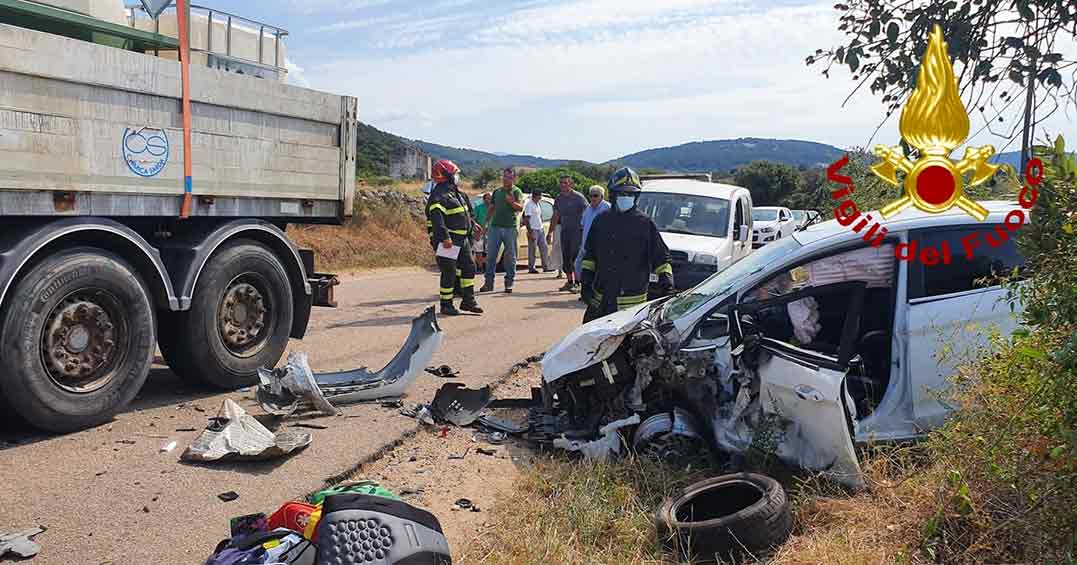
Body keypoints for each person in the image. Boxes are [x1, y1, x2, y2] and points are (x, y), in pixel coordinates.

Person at [580, 167, 673, 323]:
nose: (626, 197)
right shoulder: (601, 221)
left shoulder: (644, 223)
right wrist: (585, 281)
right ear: (613, 194)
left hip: (632, 309)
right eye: (622, 193)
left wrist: (667, 281)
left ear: (636, 197)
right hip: (600, 304)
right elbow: (590, 256)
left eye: (630, 194)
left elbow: (661, 257)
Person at [425, 159, 482, 316]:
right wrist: (445, 238)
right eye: (456, 174)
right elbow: (437, 220)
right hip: (447, 241)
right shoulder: (439, 195)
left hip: (462, 239)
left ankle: (468, 300)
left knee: (470, 267)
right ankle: (446, 305)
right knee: (449, 272)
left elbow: (465, 214)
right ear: (445, 175)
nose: (458, 176)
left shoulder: (456, 193)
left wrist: (473, 224)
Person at [480, 168, 525, 294]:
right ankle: (488, 284)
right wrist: (485, 224)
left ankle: (509, 283)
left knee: (510, 257)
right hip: (495, 227)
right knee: (491, 257)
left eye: (509, 177)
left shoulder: (516, 191)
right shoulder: (497, 192)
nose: (506, 179)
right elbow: (491, 208)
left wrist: (512, 202)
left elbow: (520, 208)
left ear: (514, 178)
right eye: (504, 177)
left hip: (510, 228)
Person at [547, 175, 588, 292]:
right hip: (565, 231)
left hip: (577, 232)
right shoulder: (559, 198)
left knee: (575, 257)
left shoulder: (579, 197)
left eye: (565, 183)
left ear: (571, 184)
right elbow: (555, 216)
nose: (563, 185)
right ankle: (570, 282)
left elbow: (587, 212)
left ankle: (578, 283)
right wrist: (550, 232)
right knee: (566, 257)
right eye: (561, 183)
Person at [575, 184, 611, 281]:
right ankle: (583, 288)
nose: (593, 198)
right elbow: (582, 226)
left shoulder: (607, 208)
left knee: (595, 271)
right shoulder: (588, 209)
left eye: (595, 195)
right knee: (578, 266)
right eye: (591, 195)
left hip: (600, 246)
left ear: (602, 197)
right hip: (585, 246)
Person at [522, 190, 552, 273]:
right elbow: (526, 219)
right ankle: (531, 267)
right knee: (532, 249)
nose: (541, 197)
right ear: (536, 196)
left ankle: (545, 266)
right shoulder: (529, 205)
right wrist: (530, 232)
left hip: (540, 229)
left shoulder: (537, 204)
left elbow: (539, 216)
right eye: (540, 196)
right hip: (533, 229)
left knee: (544, 248)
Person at [473, 192, 491, 269]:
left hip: (491, 233)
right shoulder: (478, 208)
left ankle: (488, 267)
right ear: (484, 200)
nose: (489, 200)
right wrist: (477, 230)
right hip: (479, 232)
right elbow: (473, 219)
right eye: (487, 198)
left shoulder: (494, 208)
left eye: (490, 199)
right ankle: (480, 267)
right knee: (478, 250)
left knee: (489, 251)